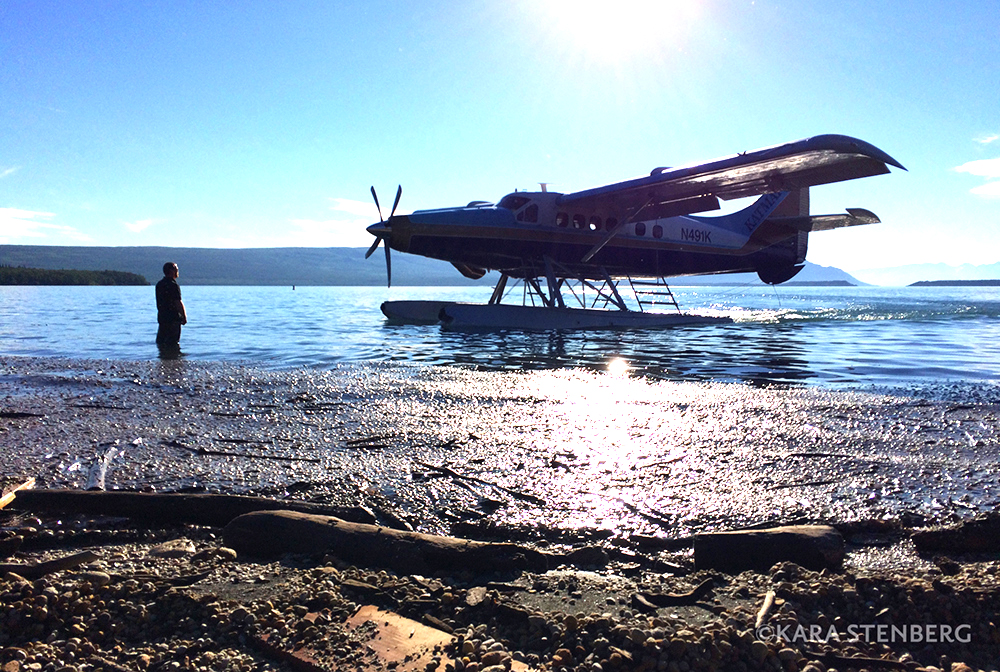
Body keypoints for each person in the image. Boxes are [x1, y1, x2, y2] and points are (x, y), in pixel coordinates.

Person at [155, 262, 187, 352]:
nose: (177, 271)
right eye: (176, 269)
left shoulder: (159, 284)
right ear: (171, 271)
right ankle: (173, 360)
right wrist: (184, 316)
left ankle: (163, 360)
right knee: (173, 342)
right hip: (173, 319)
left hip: (162, 318)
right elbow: (178, 302)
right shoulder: (173, 285)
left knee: (162, 341)